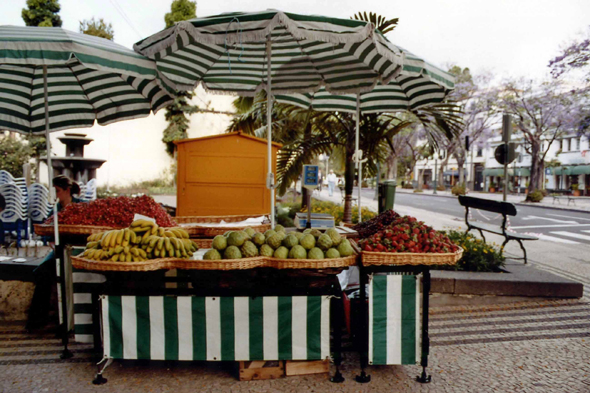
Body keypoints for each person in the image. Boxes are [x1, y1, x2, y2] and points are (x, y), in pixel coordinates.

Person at [28, 176, 82, 329]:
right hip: (59, 250)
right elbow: (47, 231)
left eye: (58, 191)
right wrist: (50, 240)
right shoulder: (55, 209)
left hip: (77, 251)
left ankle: (71, 322)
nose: (56, 195)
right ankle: (37, 321)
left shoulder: (82, 206)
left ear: (67, 190)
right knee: (42, 272)